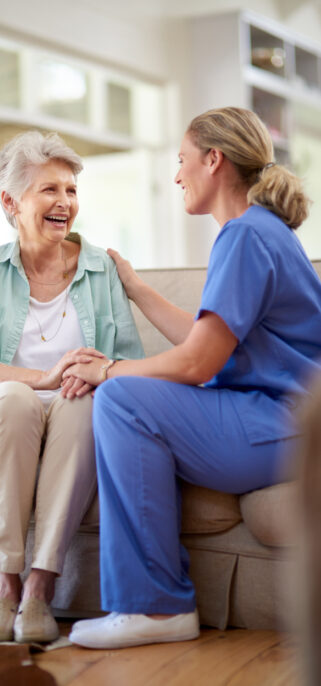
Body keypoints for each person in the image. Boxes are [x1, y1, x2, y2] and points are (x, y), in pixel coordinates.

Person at [61, 106, 321, 649]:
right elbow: (206, 340)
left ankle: (155, 608)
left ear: (214, 160)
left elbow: (198, 364)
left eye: (182, 161)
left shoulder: (246, 236)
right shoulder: (261, 231)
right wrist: (135, 287)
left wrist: (110, 370)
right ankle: (154, 603)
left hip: (281, 425)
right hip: (283, 420)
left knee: (123, 399)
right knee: (128, 393)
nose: (177, 175)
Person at [0, 130, 144, 644]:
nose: (65, 202)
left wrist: (97, 371)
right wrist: (40, 377)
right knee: (16, 398)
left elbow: (128, 354)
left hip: (70, 409)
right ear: (11, 201)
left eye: (71, 190)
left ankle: (40, 588)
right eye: (50, 190)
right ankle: (4, 587)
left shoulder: (101, 269)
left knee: (82, 404)